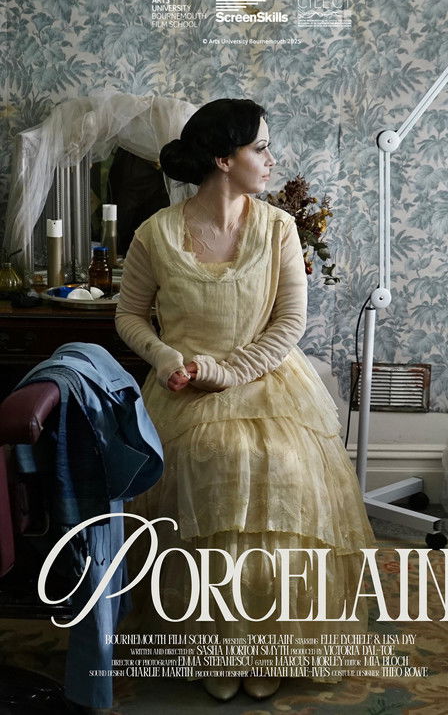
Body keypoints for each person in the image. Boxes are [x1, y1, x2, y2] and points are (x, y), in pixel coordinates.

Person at [115, 98, 375, 702]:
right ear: (223, 159)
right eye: (260, 147)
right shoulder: (157, 233)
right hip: (183, 387)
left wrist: (228, 372)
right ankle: (214, 643)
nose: (271, 159)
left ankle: (270, 643)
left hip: (269, 382)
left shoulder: (278, 227)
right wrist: (165, 357)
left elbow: (289, 325)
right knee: (214, 463)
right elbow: (129, 316)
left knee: (282, 465)